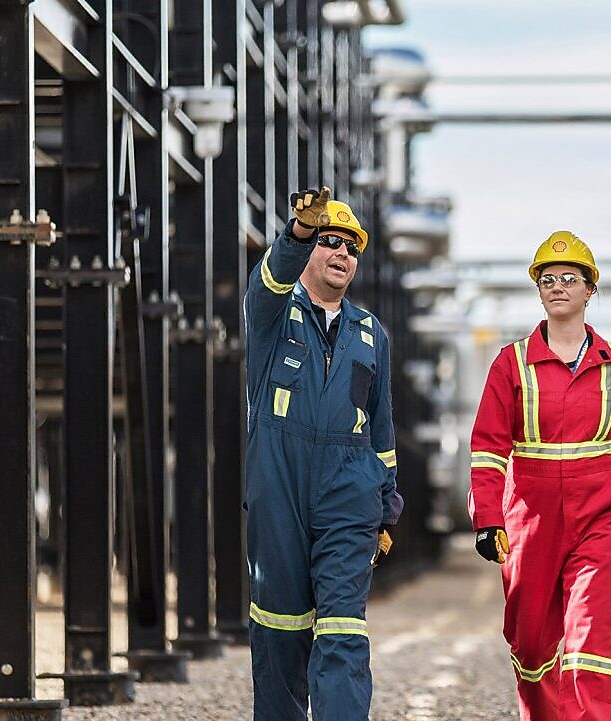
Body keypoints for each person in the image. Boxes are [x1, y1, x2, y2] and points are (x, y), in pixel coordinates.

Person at [468, 231, 611, 721]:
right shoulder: (510, 363)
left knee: (589, 639)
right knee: (531, 642)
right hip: (530, 521)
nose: (558, 286)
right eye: (548, 279)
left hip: (601, 516)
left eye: (570, 278)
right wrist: (487, 518)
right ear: (539, 291)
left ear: (589, 290)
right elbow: (488, 449)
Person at [243, 187, 403, 721]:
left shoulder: (370, 334)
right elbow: (268, 279)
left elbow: (381, 429)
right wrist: (295, 235)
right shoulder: (271, 314)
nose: (341, 255)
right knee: (280, 627)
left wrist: (385, 507)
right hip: (280, 483)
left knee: (342, 629)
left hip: (348, 489)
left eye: (350, 248)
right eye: (329, 242)